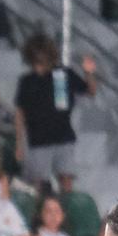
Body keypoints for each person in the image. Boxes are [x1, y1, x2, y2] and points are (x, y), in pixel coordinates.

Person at [13, 35, 96, 194]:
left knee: (67, 180)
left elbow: (90, 91)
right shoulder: (27, 81)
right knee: (38, 184)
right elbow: (20, 112)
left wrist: (89, 73)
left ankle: (66, 212)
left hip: (63, 136)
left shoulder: (63, 74)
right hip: (38, 139)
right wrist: (19, 142)